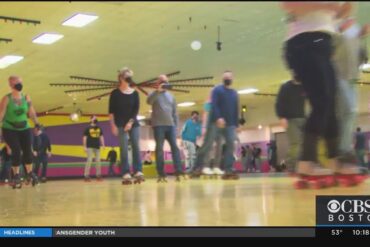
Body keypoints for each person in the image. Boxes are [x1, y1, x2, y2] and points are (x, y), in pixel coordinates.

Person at [281, 2, 364, 187]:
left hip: (323, 43)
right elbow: (288, 5)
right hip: (303, 44)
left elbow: (335, 15)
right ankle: (307, 161)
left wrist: (345, 8)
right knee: (322, 102)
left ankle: (335, 159)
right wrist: (328, 5)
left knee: (330, 104)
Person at [333, 17, 369, 162]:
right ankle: (342, 150)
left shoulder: (355, 32)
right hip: (338, 77)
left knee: (350, 113)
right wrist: (340, 30)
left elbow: (362, 55)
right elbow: (330, 43)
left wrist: (362, 35)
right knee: (346, 111)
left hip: (352, 78)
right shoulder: (337, 28)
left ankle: (344, 150)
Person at [192, 71, 239, 179]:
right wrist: (218, 118)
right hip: (214, 123)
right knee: (207, 145)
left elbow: (236, 109)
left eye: (229, 77)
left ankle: (228, 169)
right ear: (222, 78)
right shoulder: (217, 90)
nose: (227, 78)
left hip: (229, 124)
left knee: (230, 145)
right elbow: (214, 105)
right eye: (225, 77)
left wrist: (236, 124)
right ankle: (198, 167)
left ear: (232, 78)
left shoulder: (234, 93)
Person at [0, 75, 40, 189]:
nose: (19, 84)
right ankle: (16, 175)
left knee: (28, 150)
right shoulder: (6, 98)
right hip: (9, 129)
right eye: (17, 82)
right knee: (16, 150)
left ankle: (29, 173)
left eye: (20, 81)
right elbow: (1, 114)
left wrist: (37, 123)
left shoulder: (26, 97)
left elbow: (31, 112)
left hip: (24, 128)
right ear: (11, 84)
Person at [147, 74, 185, 182]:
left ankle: (178, 171)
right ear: (158, 83)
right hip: (158, 125)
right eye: (162, 81)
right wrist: (157, 91)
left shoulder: (171, 96)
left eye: (166, 81)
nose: (164, 83)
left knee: (175, 148)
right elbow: (149, 101)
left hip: (171, 125)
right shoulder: (154, 94)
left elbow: (175, 112)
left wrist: (176, 126)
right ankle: (161, 173)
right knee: (159, 149)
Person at [109, 67, 143, 184]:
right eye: (126, 76)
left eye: (130, 76)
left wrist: (130, 122)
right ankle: (126, 172)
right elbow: (111, 111)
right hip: (120, 124)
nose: (129, 78)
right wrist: (112, 125)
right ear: (121, 78)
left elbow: (135, 110)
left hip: (133, 124)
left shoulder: (135, 94)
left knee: (135, 146)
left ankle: (138, 170)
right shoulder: (115, 93)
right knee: (123, 149)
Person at [275, 76, 306, 172]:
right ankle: (291, 165)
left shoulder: (305, 86)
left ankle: (299, 164)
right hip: (290, 119)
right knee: (296, 143)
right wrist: (281, 117)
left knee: (305, 143)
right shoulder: (285, 87)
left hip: (303, 118)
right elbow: (279, 103)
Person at [83, 115, 105, 181]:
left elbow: (101, 136)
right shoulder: (87, 128)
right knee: (89, 160)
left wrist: (103, 144)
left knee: (98, 161)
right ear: (91, 120)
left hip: (97, 146)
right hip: (89, 146)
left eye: (96, 118)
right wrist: (84, 146)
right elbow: (84, 138)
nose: (96, 119)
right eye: (94, 118)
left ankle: (98, 175)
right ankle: (86, 176)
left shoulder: (99, 128)